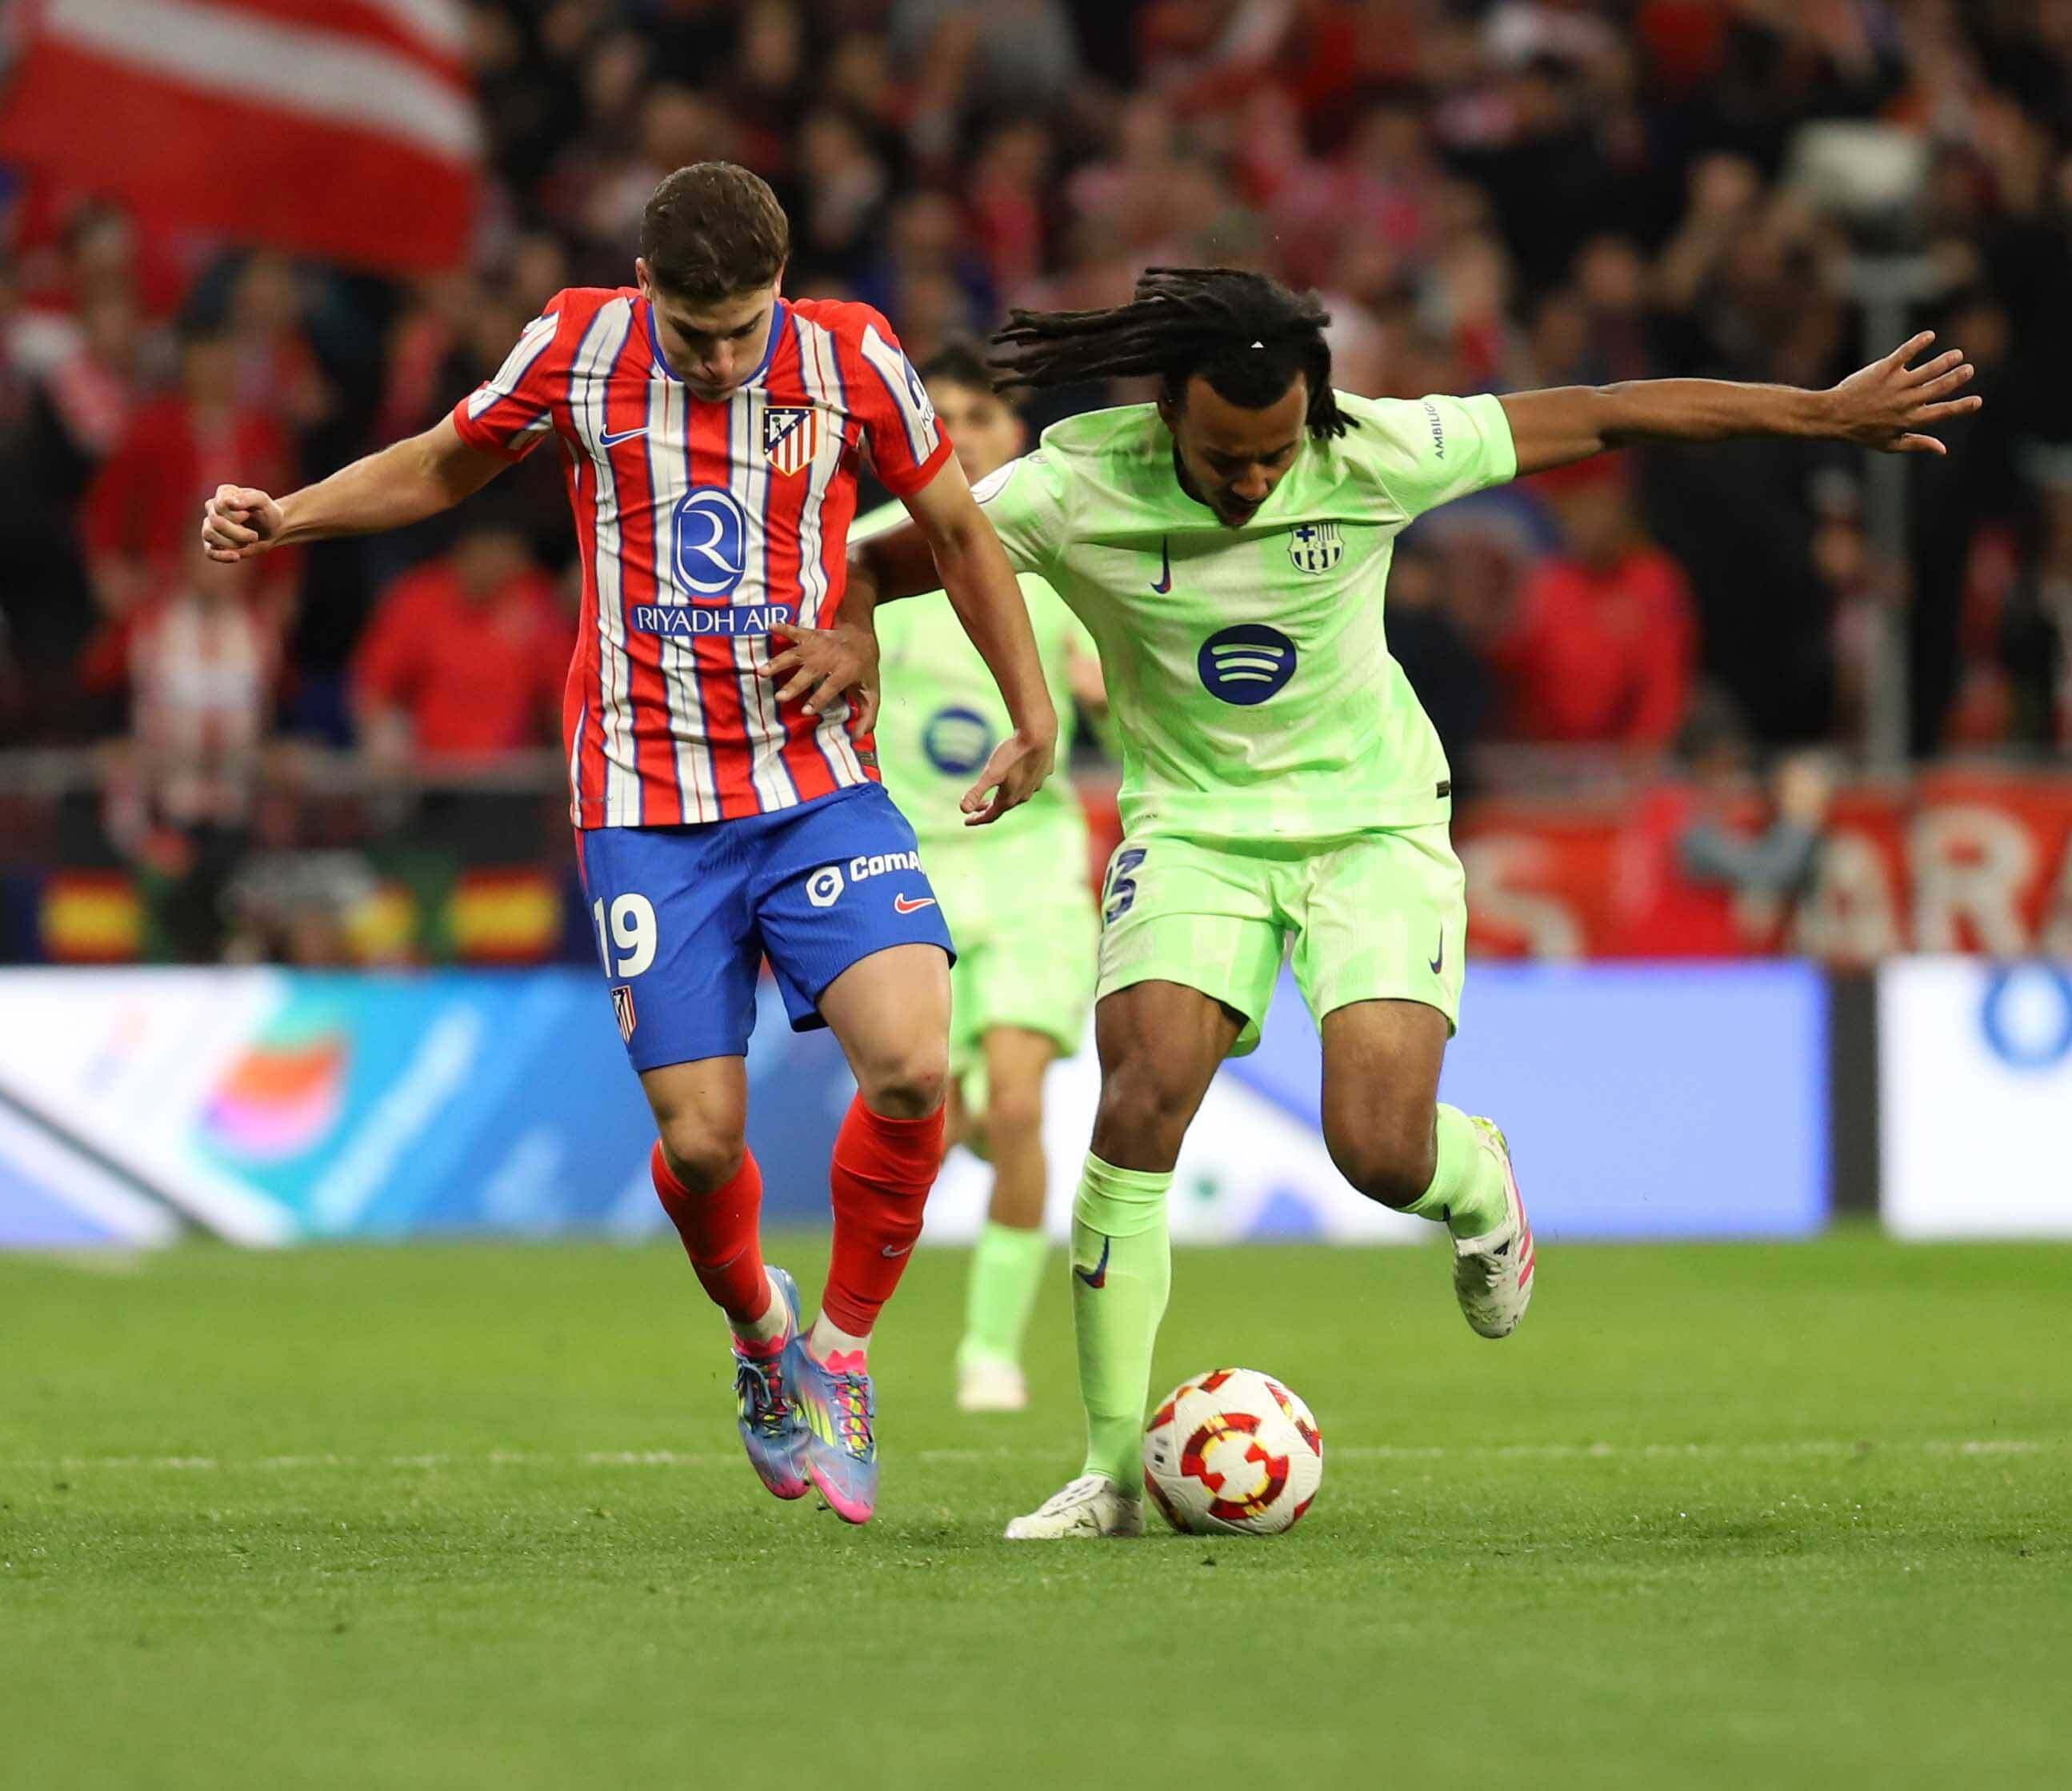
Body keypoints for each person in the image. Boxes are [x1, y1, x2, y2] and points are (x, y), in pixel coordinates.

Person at [836, 267, 1978, 1538]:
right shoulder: (1069, 485)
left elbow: (1605, 410)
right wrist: (847, 635)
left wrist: (1815, 416)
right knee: (1140, 1098)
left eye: (1274, 455)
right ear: (1166, 411)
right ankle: (1108, 1473)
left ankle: (1477, 1184)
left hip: (1371, 827)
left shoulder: (1376, 448)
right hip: (1194, 832)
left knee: (1380, 1149)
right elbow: (893, 559)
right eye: (1224, 455)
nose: (1252, 480)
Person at [201, 162, 1058, 1526]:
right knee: (705, 1144)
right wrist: (289, 512)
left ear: (785, 286)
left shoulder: (855, 357)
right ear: (645, 286)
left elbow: (955, 530)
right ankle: (761, 1340)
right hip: (647, 800)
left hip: (813, 782)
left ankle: (839, 1353)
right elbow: (441, 462)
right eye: (694, 331)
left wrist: (1031, 715)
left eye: (743, 329)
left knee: (907, 1063)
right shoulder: (578, 341)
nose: (719, 361)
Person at [854, 342, 1106, 1413]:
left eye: (980, 417)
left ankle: (987, 1352)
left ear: (1019, 437)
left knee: (1015, 1107)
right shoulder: (870, 553)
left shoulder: (1054, 553)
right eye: (939, 416)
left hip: (1034, 862)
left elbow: (1118, 681)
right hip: (912, 865)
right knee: (930, 1110)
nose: (957, 434)